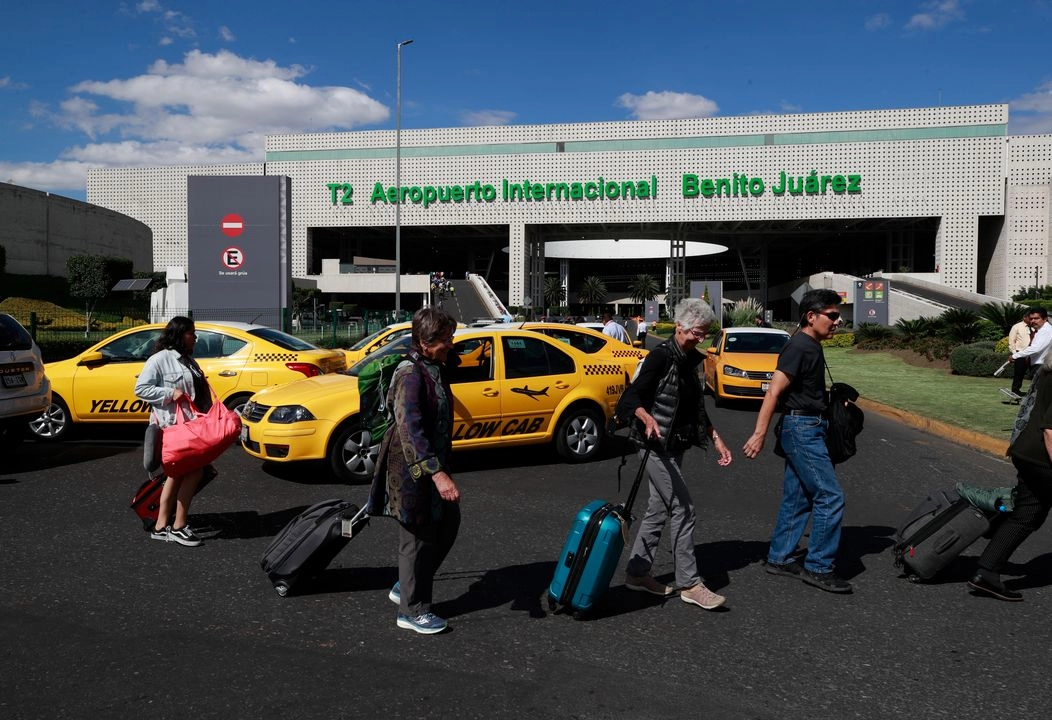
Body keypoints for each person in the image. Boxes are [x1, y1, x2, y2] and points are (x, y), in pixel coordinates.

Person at [619, 298, 733, 610]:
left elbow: (695, 408)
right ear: (680, 327)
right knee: (684, 508)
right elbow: (630, 398)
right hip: (656, 447)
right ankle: (690, 583)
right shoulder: (659, 357)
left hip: (676, 444)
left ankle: (637, 574)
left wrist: (717, 438)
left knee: (659, 509)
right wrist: (646, 417)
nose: (701, 338)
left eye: (705, 333)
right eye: (697, 332)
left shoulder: (691, 360)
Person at [742, 289, 852, 594]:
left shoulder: (810, 345)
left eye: (837, 315)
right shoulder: (799, 347)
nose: (838, 321)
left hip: (807, 425)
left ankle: (779, 557)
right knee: (830, 497)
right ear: (811, 316)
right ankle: (818, 566)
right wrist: (759, 434)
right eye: (832, 315)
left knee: (799, 497)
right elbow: (774, 392)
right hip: (802, 429)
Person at [368, 307, 462, 634]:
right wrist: (437, 474)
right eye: (444, 339)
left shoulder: (432, 365)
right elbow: (410, 430)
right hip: (409, 469)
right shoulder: (409, 375)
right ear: (423, 342)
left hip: (429, 463)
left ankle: (405, 585)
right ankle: (413, 610)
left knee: (447, 524)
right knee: (417, 539)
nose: (451, 344)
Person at [970, 347, 1052, 601]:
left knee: (1028, 514)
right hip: (1042, 458)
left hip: (1025, 452)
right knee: (1028, 514)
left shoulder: (1046, 372)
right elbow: (1050, 430)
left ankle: (987, 573)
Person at [133, 316, 212, 547]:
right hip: (172, 429)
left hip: (190, 427)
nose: (195, 337)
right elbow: (141, 389)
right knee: (192, 473)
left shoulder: (189, 360)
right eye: (191, 333)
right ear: (178, 335)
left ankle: (161, 526)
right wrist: (169, 393)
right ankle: (178, 526)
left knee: (177, 475)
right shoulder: (160, 359)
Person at [1007, 308, 1051, 400]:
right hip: (1036, 364)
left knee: (1039, 396)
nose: (1033, 321)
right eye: (1031, 319)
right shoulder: (1041, 330)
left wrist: (1015, 355)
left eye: (1036, 318)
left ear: (1045, 318)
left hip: (1041, 366)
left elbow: (1035, 348)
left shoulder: (1046, 331)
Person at [1006, 312, 1035, 398]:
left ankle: (1033, 391)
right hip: (1020, 353)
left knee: (1034, 373)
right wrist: (1015, 354)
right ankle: (1015, 391)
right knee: (1019, 373)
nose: (1032, 320)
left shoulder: (1034, 327)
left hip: (1032, 354)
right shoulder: (1017, 326)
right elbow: (1011, 341)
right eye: (1030, 318)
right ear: (1024, 318)